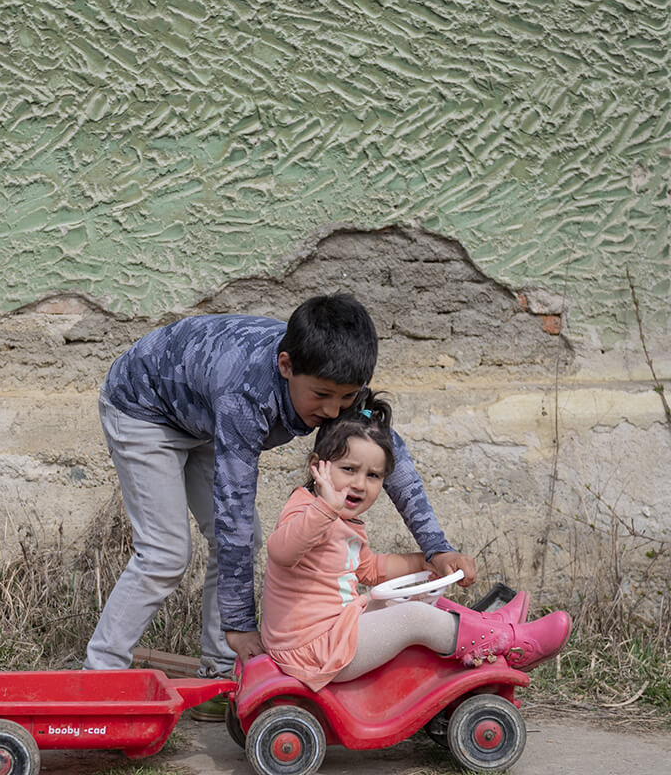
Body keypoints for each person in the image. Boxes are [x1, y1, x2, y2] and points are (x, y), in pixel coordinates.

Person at [83, 293, 478, 719]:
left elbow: (388, 455)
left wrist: (436, 547)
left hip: (201, 414)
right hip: (144, 408)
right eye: (322, 396)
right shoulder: (245, 395)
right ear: (286, 365)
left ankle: (221, 672)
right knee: (166, 553)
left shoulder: (336, 384)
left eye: (345, 399)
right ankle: (96, 680)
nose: (332, 412)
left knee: (241, 537)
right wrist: (240, 625)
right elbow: (233, 509)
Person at [260, 390, 571, 691]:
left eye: (373, 476)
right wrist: (324, 508)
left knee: (416, 600)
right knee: (414, 617)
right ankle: (509, 644)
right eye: (349, 469)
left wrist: (428, 561)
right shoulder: (306, 510)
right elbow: (281, 552)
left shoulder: (341, 519)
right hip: (312, 648)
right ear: (318, 467)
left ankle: (493, 626)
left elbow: (369, 568)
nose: (359, 484)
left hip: (333, 631)